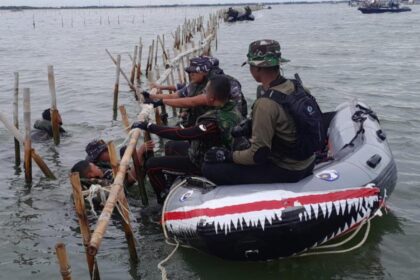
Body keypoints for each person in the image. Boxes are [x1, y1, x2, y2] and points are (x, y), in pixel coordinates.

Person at [202, 40, 324, 185]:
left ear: (257, 68)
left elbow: (258, 156)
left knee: (209, 168)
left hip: (288, 170)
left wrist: (227, 156)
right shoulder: (297, 87)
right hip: (307, 162)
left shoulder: (265, 104)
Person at [131, 75, 242, 203]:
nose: (202, 93)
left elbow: (181, 134)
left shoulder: (213, 121)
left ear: (211, 98)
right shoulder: (232, 108)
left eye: (205, 92)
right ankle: (170, 184)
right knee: (170, 146)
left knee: (151, 165)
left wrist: (149, 126)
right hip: (206, 151)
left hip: (204, 162)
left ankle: (162, 200)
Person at [146, 56, 248, 118]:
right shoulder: (197, 83)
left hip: (229, 122)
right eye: (189, 71)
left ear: (204, 71)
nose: (191, 74)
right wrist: (151, 96)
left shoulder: (218, 83)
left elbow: (192, 101)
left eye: (193, 71)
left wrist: (161, 102)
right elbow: (176, 95)